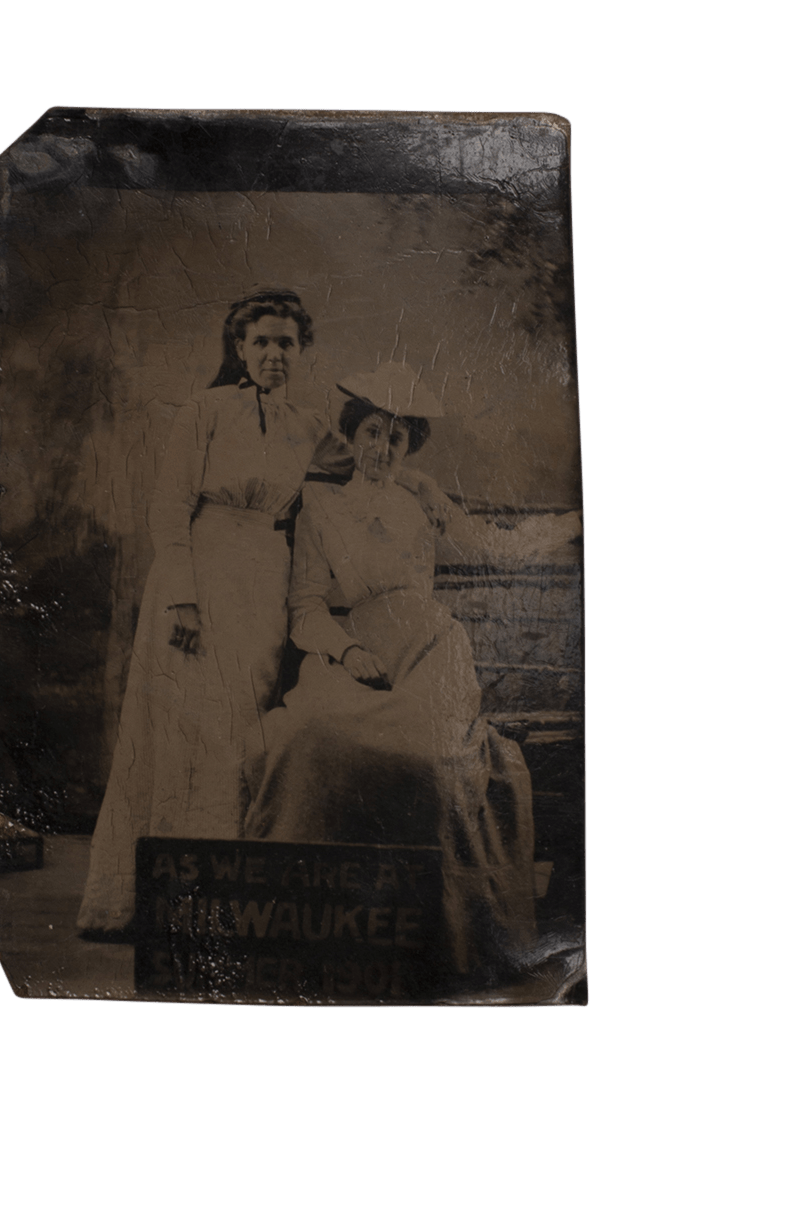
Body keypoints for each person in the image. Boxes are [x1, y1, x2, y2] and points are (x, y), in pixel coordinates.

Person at [243, 363, 578, 982]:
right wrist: (345, 652)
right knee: (311, 737)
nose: (383, 448)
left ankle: (434, 929)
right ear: (352, 435)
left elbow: (492, 546)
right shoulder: (322, 504)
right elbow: (305, 607)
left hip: (431, 648)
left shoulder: (422, 498)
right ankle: (322, 931)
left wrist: (575, 523)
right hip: (354, 647)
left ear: (410, 445)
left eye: (398, 437)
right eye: (373, 431)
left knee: (432, 759)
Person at [76, 290, 350, 935]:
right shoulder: (203, 410)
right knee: (182, 731)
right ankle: (158, 904)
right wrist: (183, 600)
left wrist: (413, 479)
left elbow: (365, 464)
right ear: (239, 349)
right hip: (198, 579)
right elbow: (169, 508)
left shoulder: (309, 427)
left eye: (286, 343)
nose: (274, 355)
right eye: (261, 342)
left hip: (264, 585)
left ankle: (221, 902)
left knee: (239, 733)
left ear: (301, 351)